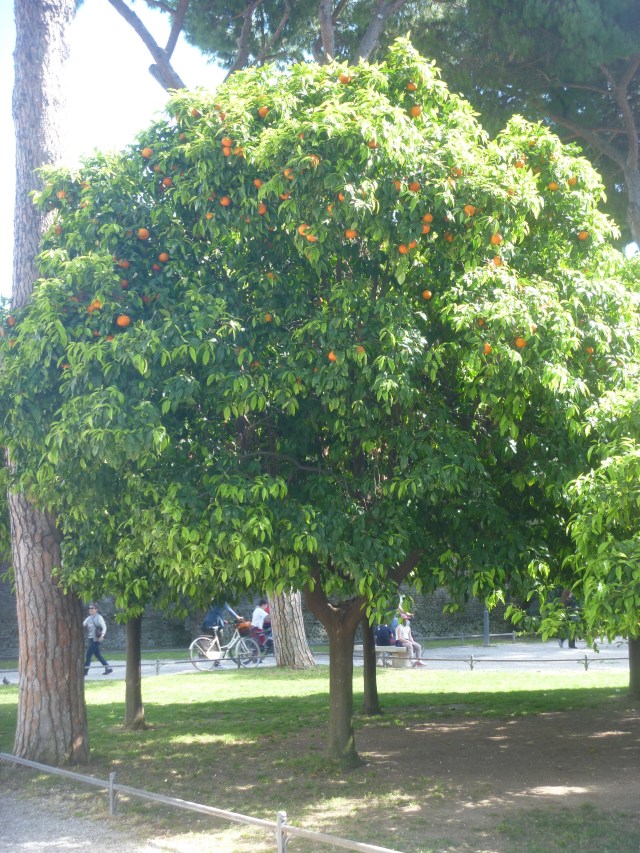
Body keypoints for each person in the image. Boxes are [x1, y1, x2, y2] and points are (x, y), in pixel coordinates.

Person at [83, 604, 112, 676]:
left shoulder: (99, 617)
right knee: (98, 655)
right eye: (89, 608)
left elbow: (104, 627)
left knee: (88, 655)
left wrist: (102, 636)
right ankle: (108, 668)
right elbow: (83, 624)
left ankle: (85, 671)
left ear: (96, 609)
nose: (90, 610)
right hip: (90, 639)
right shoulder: (89, 618)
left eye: (92, 608)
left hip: (96, 639)